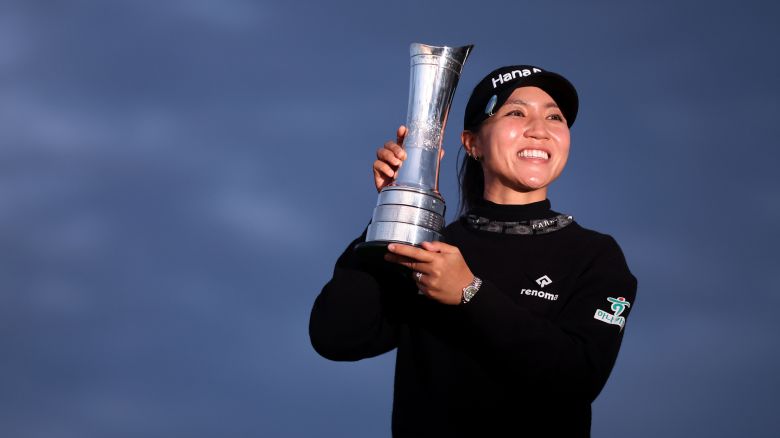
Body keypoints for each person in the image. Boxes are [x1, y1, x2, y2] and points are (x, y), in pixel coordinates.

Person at [309, 65, 637, 437]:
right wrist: (394, 209)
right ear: (472, 143)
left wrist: (470, 294)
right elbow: (335, 336)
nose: (540, 129)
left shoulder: (595, 255)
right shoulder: (429, 247)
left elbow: (578, 378)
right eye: (516, 112)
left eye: (555, 117)